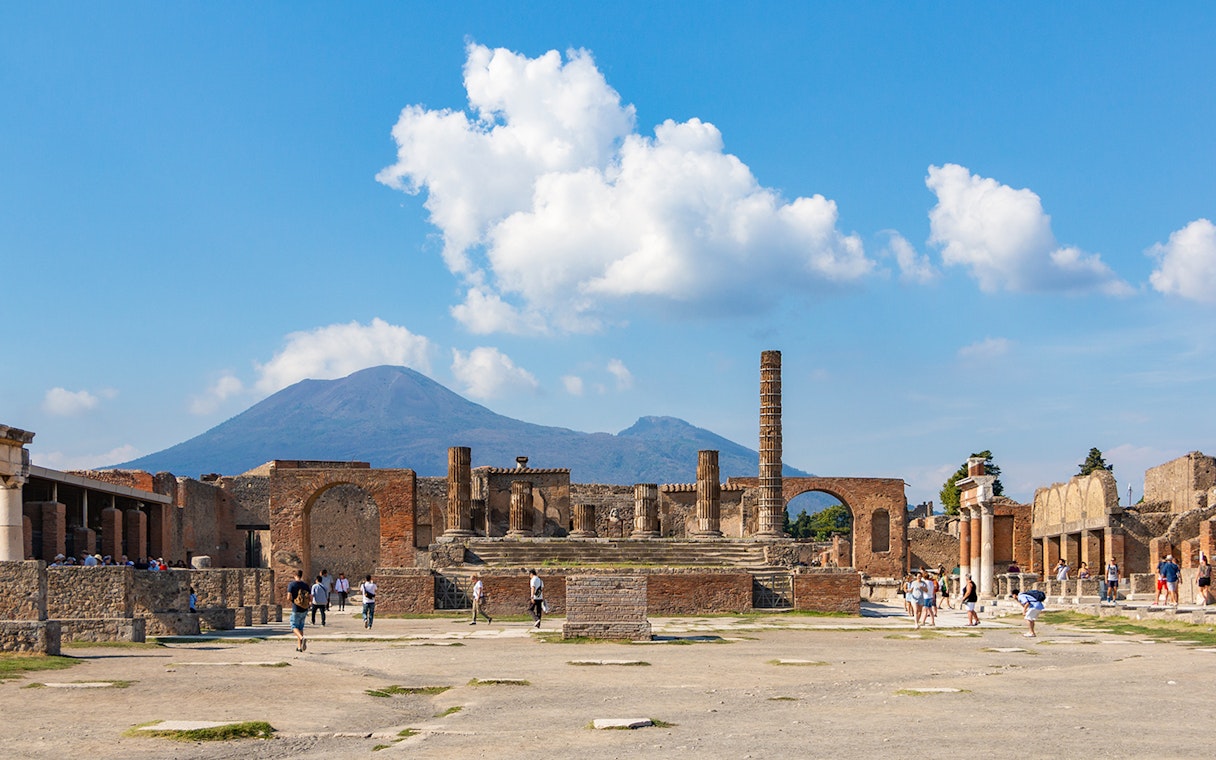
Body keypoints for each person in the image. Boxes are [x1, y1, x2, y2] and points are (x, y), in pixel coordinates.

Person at [287, 570, 311, 652]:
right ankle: (299, 647)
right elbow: (310, 597)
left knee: (293, 626)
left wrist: (293, 601)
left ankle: (302, 638)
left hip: (296, 608)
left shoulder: (292, 584)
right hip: (304, 609)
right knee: (300, 627)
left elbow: (288, 597)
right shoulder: (305, 585)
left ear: (295, 575)